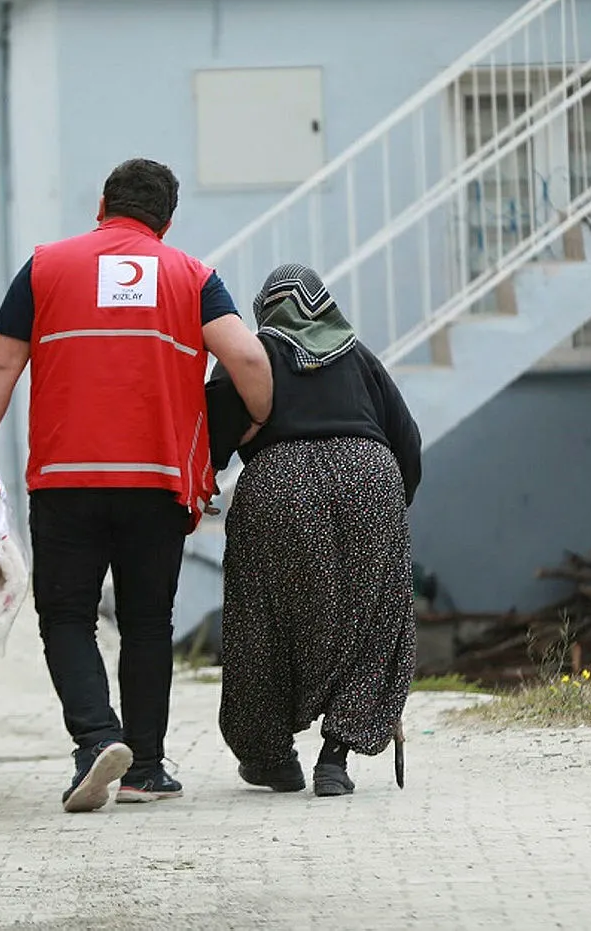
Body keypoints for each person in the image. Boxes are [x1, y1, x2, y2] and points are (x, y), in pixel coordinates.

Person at [0, 158, 272, 814]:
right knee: (148, 620)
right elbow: (244, 356)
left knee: (67, 613)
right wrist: (259, 419)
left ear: (102, 204)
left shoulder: (46, 267)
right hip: (157, 482)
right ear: (168, 219)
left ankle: (96, 738)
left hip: (66, 479)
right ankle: (146, 767)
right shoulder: (192, 276)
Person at [205, 263, 421, 798]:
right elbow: (407, 439)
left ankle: (270, 758)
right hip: (371, 477)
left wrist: (203, 482)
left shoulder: (252, 355)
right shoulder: (358, 354)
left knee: (263, 622)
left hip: (280, 486)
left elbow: (211, 437)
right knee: (372, 618)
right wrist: (390, 512)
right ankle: (336, 757)